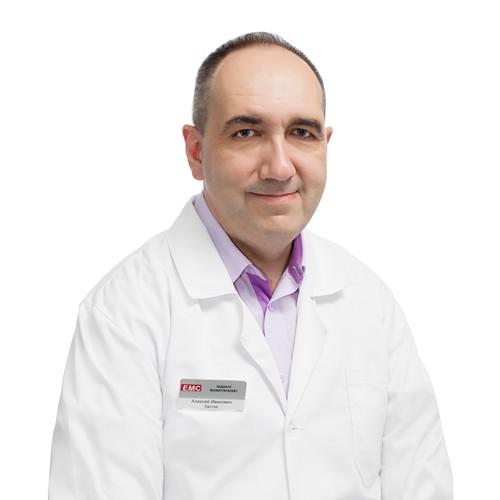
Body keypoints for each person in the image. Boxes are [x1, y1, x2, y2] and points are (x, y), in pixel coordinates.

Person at [48, 31, 453, 500]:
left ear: (325, 144)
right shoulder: (125, 311)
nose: (280, 167)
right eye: (246, 132)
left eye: (301, 133)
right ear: (196, 151)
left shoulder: (369, 302)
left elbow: (423, 487)